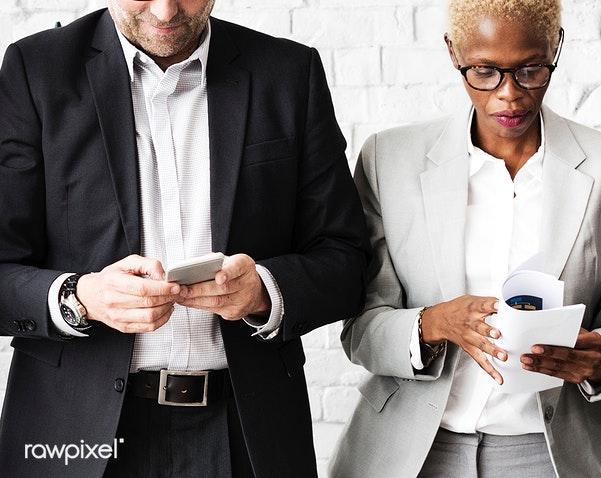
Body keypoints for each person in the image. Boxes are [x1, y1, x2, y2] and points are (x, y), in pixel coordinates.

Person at [0, 0, 370, 476]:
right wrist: (80, 298)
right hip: (75, 438)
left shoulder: (289, 73)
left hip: (248, 434)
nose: (166, 10)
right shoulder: (35, 71)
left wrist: (264, 291)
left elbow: (346, 258)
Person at [331, 0, 601, 476]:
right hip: (412, 452)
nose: (510, 95)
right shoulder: (388, 160)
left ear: (555, 49)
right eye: (483, 71)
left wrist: (600, 358)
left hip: (551, 453)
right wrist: (432, 324)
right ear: (453, 53)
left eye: (530, 70)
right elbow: (359, 332)